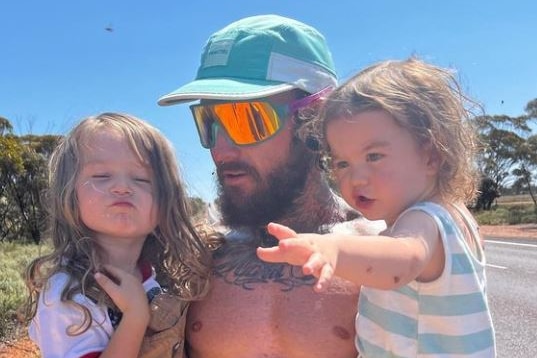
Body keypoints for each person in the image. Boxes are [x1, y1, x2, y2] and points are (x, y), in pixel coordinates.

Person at [157, 14, 383, 358]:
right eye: (208, 122)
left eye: (245, 120)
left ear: (314, 120)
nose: (220, 150)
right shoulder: (193, 254)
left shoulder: (385, 251)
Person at [257, 58, 497, 357]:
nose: (355, 178)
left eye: (373, 157)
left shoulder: (423, 219)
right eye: (342, 163)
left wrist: (333, 249)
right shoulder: (454, 214)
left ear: (432, 155)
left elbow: (403, 259)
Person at [23, 113, 217, 358]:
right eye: (101, 176)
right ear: (69, 194)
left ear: (167, 198)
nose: (123, 187)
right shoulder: (67, 293)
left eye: (142, 179)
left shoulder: (160, 275)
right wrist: (135, 317)